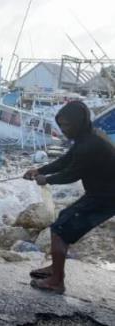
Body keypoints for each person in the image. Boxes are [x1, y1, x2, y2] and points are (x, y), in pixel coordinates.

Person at [24, 101, 115, 294]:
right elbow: (66, 160)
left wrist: (45, 179)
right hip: (101, 193)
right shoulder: (88, 137)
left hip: (107, 197)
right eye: (61, 125)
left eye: (67, 125)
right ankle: (55, 268)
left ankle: (57, 281)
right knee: (63, 219)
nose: (63, 130)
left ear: (79, 122)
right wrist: (39, 169)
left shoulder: (89, 145)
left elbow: (71, 174)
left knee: (59, 229)